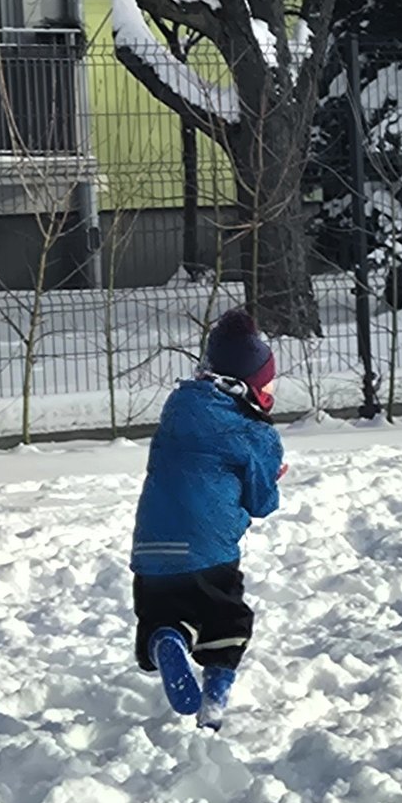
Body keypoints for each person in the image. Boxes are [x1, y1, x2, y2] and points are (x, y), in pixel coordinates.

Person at [130, 307, 286, 731]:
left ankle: (169, 637)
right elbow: (261, 502)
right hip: (207, 551)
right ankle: (213, 704)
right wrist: (271, 478)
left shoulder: (178, 408)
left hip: (151, 550)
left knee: (168, 614)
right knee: (226, 622)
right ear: (252, 386)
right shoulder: (256, 433)